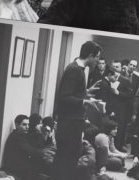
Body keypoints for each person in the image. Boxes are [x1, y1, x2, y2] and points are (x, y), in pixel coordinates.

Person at [53, 41, 102, 180]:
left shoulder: (78, 69)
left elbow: (72, 92)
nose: (98, 61)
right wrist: (84, 101)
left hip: (72, 123)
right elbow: (64, 97)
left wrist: (86, 92)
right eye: (97, 57)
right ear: (90, 56)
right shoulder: (74, 70)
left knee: (68, 158)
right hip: (69, 124)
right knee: (67, 159)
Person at [1, 115, 42, 180]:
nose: (27, 127)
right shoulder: (16, 137)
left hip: (19, 169)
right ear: (17, 125)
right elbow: (30, 150)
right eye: (24, 125)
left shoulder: (21, 135)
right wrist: (42, 152)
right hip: (14, 171)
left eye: (28, 124)